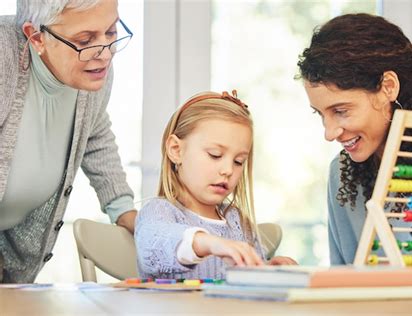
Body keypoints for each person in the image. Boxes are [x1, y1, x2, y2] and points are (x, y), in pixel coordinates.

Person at [297, 13, 412, 279]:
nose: (329, 133)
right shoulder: (341, 173)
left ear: (388, 87)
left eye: (341, 111)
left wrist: (398, 275)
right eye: (320, 114)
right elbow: (344, 275)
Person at [0, 0, 137, 283]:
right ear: (36, 37)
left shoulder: (92, 70)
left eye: (111, 32)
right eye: (85, 39)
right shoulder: (4, 58)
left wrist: (124, 209)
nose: (105, 53)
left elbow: (95, 134)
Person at [135, 90, 296, 280]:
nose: (228, 170)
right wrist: (210, 243)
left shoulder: (237, 220)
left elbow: (248, 275)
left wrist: (268, 269)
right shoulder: (159, 212)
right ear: (176, 150)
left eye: (238, 161)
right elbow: (156, 244)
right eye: (215, 155)